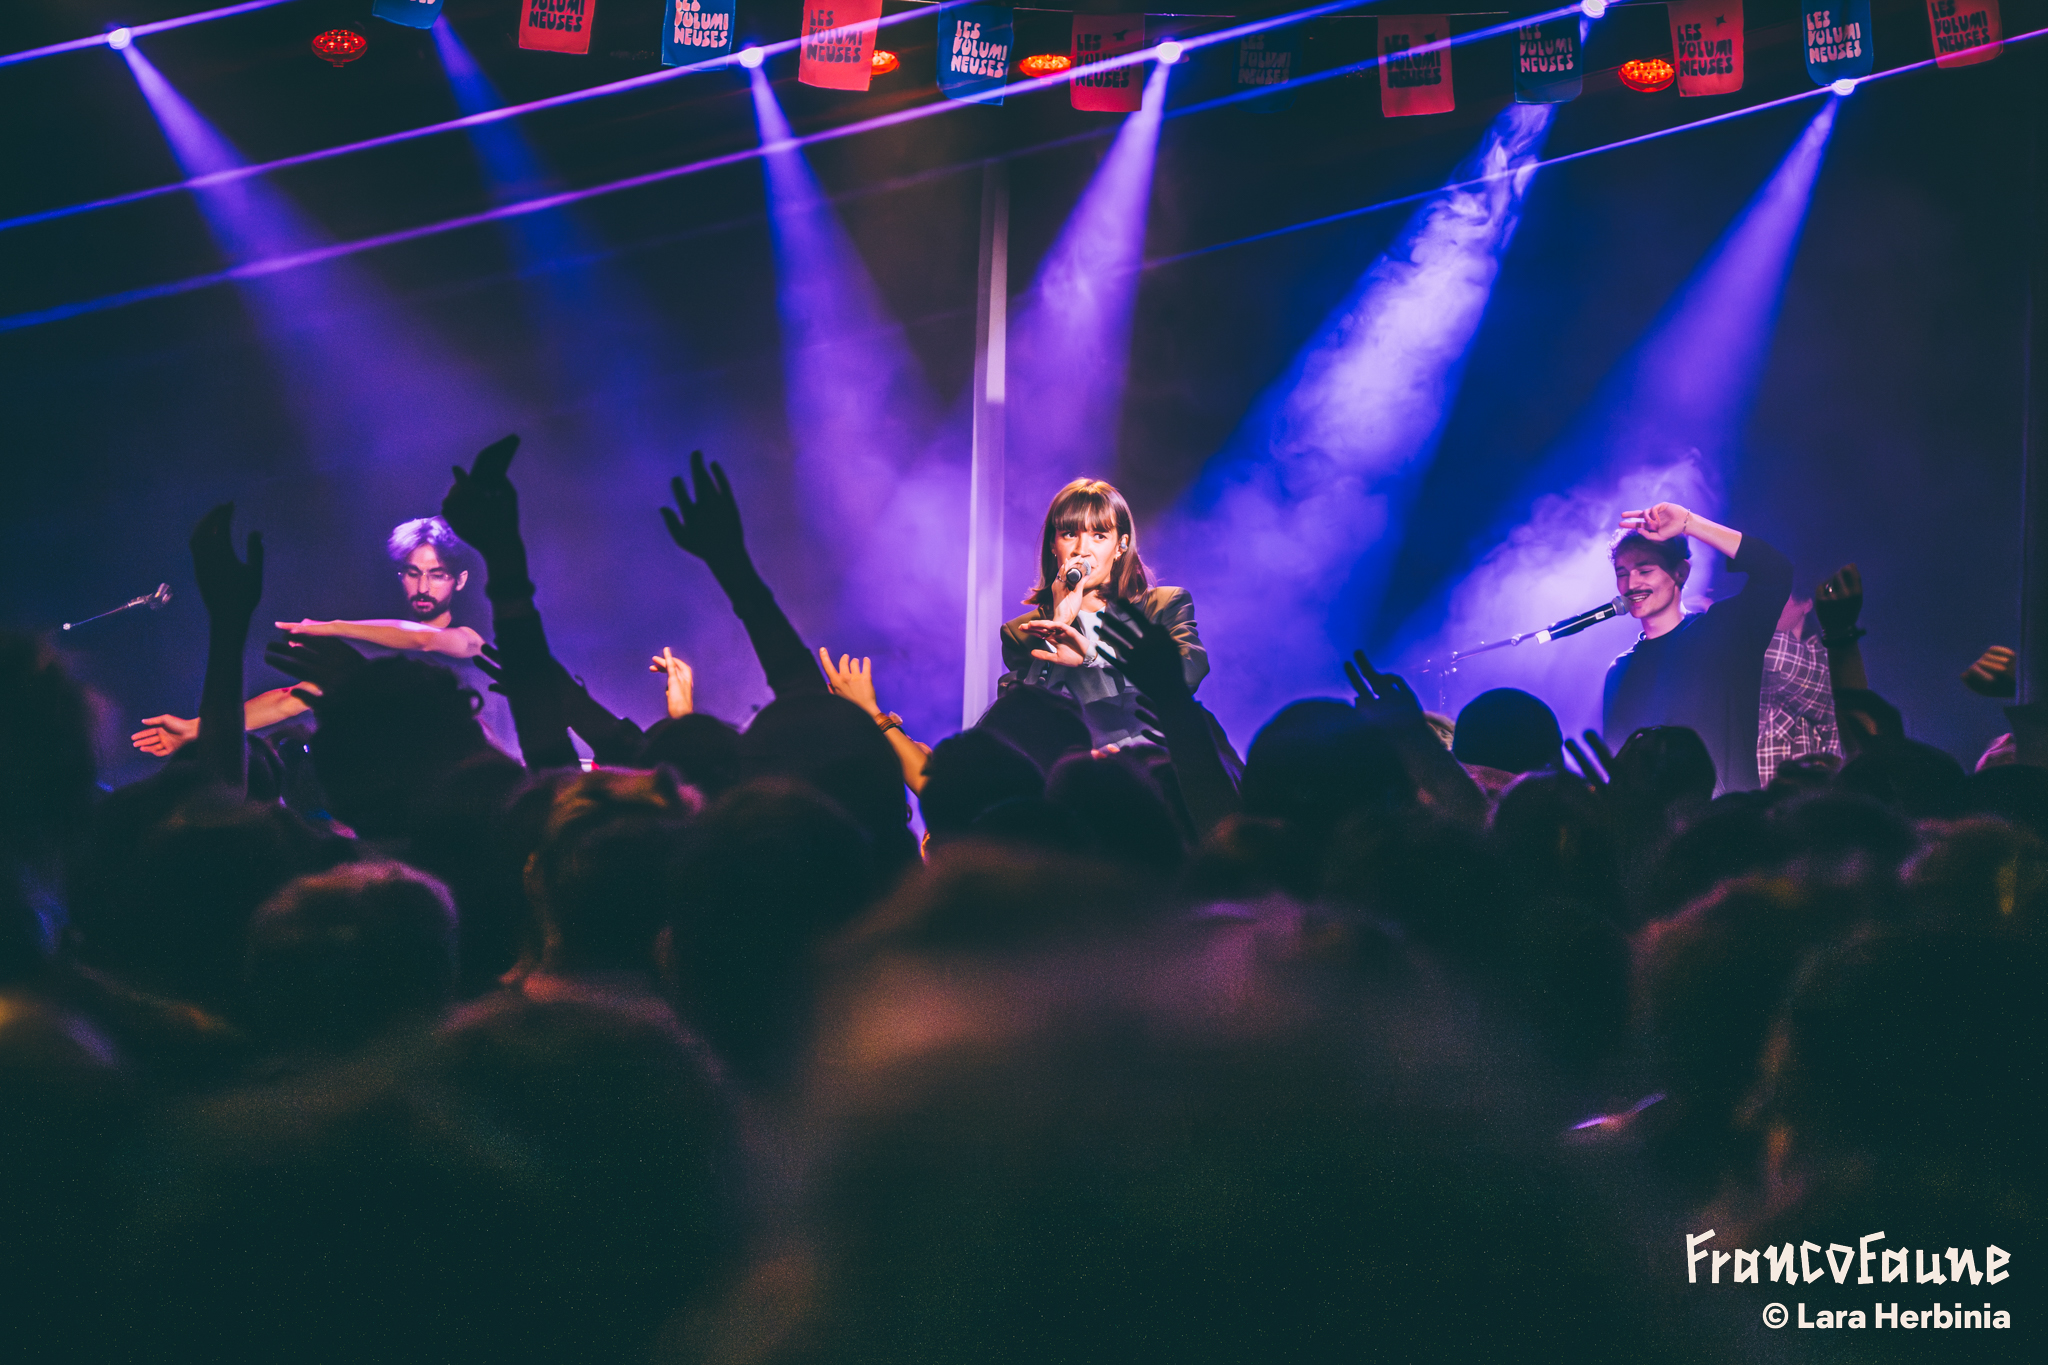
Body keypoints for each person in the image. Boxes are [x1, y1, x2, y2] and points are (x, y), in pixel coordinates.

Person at [131, 516, 488, 756]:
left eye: (437, 575)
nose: (423, 586)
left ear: (460, 580)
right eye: (413, 573)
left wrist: (334, 626)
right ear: (401, 576)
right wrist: (199, 728)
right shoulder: (379, 656)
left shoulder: (471, 638)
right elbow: (291, 699)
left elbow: (425, 639)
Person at [1000, 479, 1207, 752]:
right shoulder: (1023, 632)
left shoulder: (1163, 606)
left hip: (1156, 771)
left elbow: (1188, 672)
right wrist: (1058, 623)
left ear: (1121, 545)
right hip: (1077, 779)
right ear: (1053, 544)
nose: (1081, 549)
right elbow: (1018, 722)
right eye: (1069, 534)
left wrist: (1095, 656)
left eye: (1098, 535)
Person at [1601, 502, 1792, 793]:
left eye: (1645, 570)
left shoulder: (1723, 632)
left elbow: (1775, 571)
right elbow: (1617, 764)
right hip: (1654, 833)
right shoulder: (1620, 669)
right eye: (1622, 572)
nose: (1631, 583)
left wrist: (1690, 523)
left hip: (1727, 825)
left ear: (1681, 573)